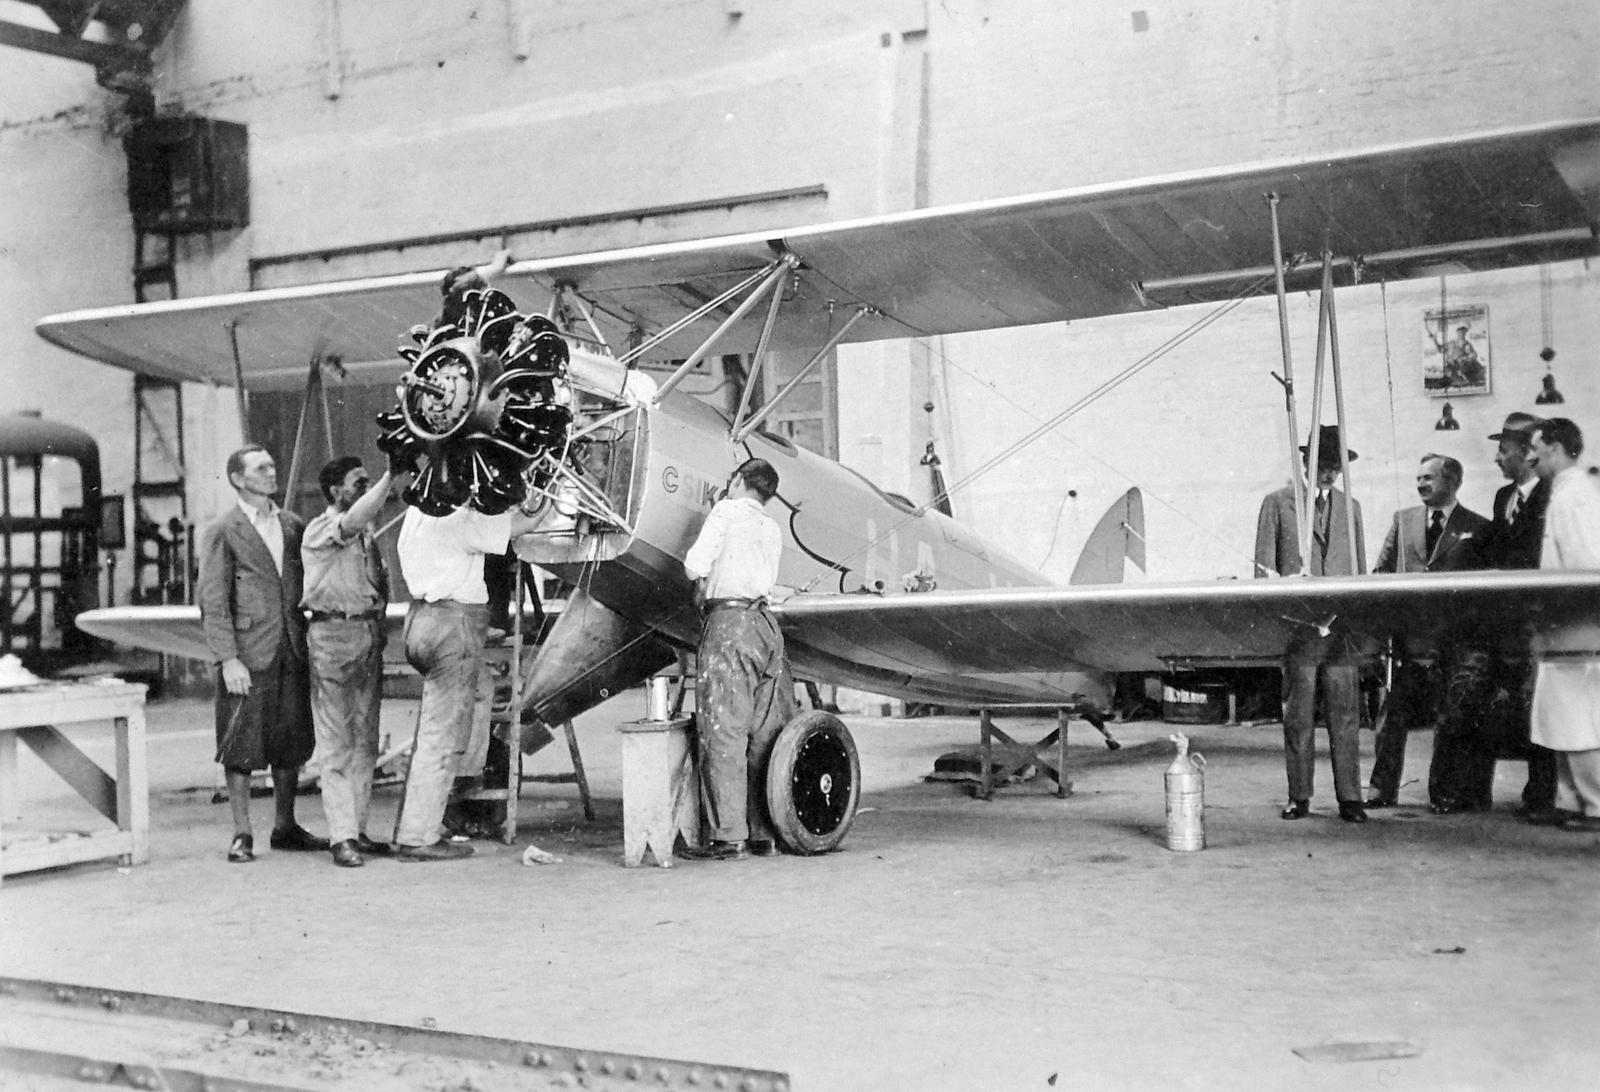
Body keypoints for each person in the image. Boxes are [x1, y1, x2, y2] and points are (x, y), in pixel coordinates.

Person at [392, 493, 543, 861]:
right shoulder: (460, 519)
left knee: (477, 693)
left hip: (420, 620)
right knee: (440, 733)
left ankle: (449, 789)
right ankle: (418, 835)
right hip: (452, 623)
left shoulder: (415, 513)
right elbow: (521, 526)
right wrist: (541, 502)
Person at [197, 445, 324, 863]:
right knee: (240, 743)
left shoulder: (292, 525)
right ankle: (242, 833)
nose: (272, 472)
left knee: (291, 741)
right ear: (237, 478)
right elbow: (213, 602)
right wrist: (228, 659)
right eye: (261, 468)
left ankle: (285, 826)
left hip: (290, 646)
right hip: (247, 654)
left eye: (272, 466)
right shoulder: (222, 529)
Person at [681, 457, 798, 861]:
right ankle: (765, 832)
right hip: (766, 627)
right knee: (765, 732)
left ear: (739, 481)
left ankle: (729, 836)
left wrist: (701, 581)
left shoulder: (725, 511)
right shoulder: (771, 526)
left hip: (730, 624)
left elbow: (693, 564)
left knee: (724, 731)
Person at [1254, 425, 1368, 823]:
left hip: (1342, 632)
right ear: (1305, 462)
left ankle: (1350, 799)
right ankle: (1299, 797)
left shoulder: (1351, 508)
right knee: (1298, 716)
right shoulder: (1278, 503)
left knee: (1346, 715)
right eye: (1322, 463)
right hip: (1299, 629)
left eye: (1335, 466)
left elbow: (1362, 573)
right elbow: (1263, 569)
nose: (1328, 472)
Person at [1365, 455, 1488, 808]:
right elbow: (1381, 572)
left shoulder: (1477, 527)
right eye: (1418, 478)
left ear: (1453, 482)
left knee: (1450, 719)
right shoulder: (1402, 521)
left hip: (1454, 642)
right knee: (1392, 716)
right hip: (1408, 639)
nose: (1420, 484)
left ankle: (1444, 792)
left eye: (1429, 478)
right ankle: (1381, 789)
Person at [301, 456, 394, 868]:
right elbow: (353, 520)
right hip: (333, 637)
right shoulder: (323, 529)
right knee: (336, 743)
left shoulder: (364, 537)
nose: (365, 487)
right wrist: (393, 476)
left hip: (366, 635)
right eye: (358, 482)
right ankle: (341, 837)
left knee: (365, 741)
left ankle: (355, 830)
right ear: (335, 491)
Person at [1470, 413, 1557, 819]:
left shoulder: (1554, 496)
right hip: (1503, 621)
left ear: (1526, 454)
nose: (1497, 459)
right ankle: (1478, 791)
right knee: (1499, 702)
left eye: (1504, 451)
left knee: (1541, 705)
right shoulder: (1503, 497)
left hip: (1540, 620)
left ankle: (1542, 795)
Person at [1526, 418, 1600, 830]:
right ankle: (1574, 802)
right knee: (1559, 716)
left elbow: (1587, 565)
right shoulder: (1567, 494)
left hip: (1578, 628)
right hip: (1564, 628)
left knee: (1578, 720)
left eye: (1535, 449)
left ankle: (1595, 805)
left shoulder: (1574, 498)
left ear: (1555, 448)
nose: (1530, 458)